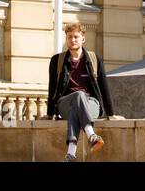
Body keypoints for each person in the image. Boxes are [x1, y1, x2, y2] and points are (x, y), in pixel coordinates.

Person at [47, 23, 119, 162]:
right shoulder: (57, 61)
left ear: (83, 38)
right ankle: (91, 135)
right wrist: (50, 113)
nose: (72, 40)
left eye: (76, 37)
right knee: (78, 96)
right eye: (69, 37)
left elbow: (104, 87)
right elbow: (52, 88)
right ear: (66, 39)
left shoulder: (94, 59)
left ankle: (71, 153)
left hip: (90, 103)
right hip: (65, 104)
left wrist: (111, 114)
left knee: (78, 104)